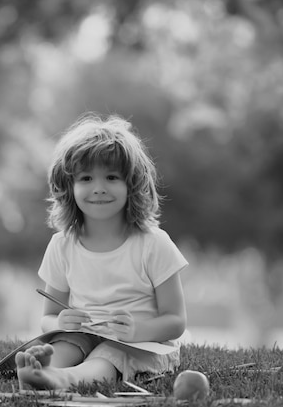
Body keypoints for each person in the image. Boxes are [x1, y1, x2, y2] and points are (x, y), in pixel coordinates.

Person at [16, 113, 188, 390]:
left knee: (109, 355)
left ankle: (64, 378)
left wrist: (138, 330)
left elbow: (176, 321)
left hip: (145, 344)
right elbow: (47, 317)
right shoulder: (63, 245)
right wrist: (60, 322)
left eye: (111, 177)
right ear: (68, 188)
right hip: (85, 335)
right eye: (85, 178)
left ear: (131, 184)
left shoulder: (154, 243)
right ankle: (44, 371)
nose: (98, 189)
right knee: (67, 344)